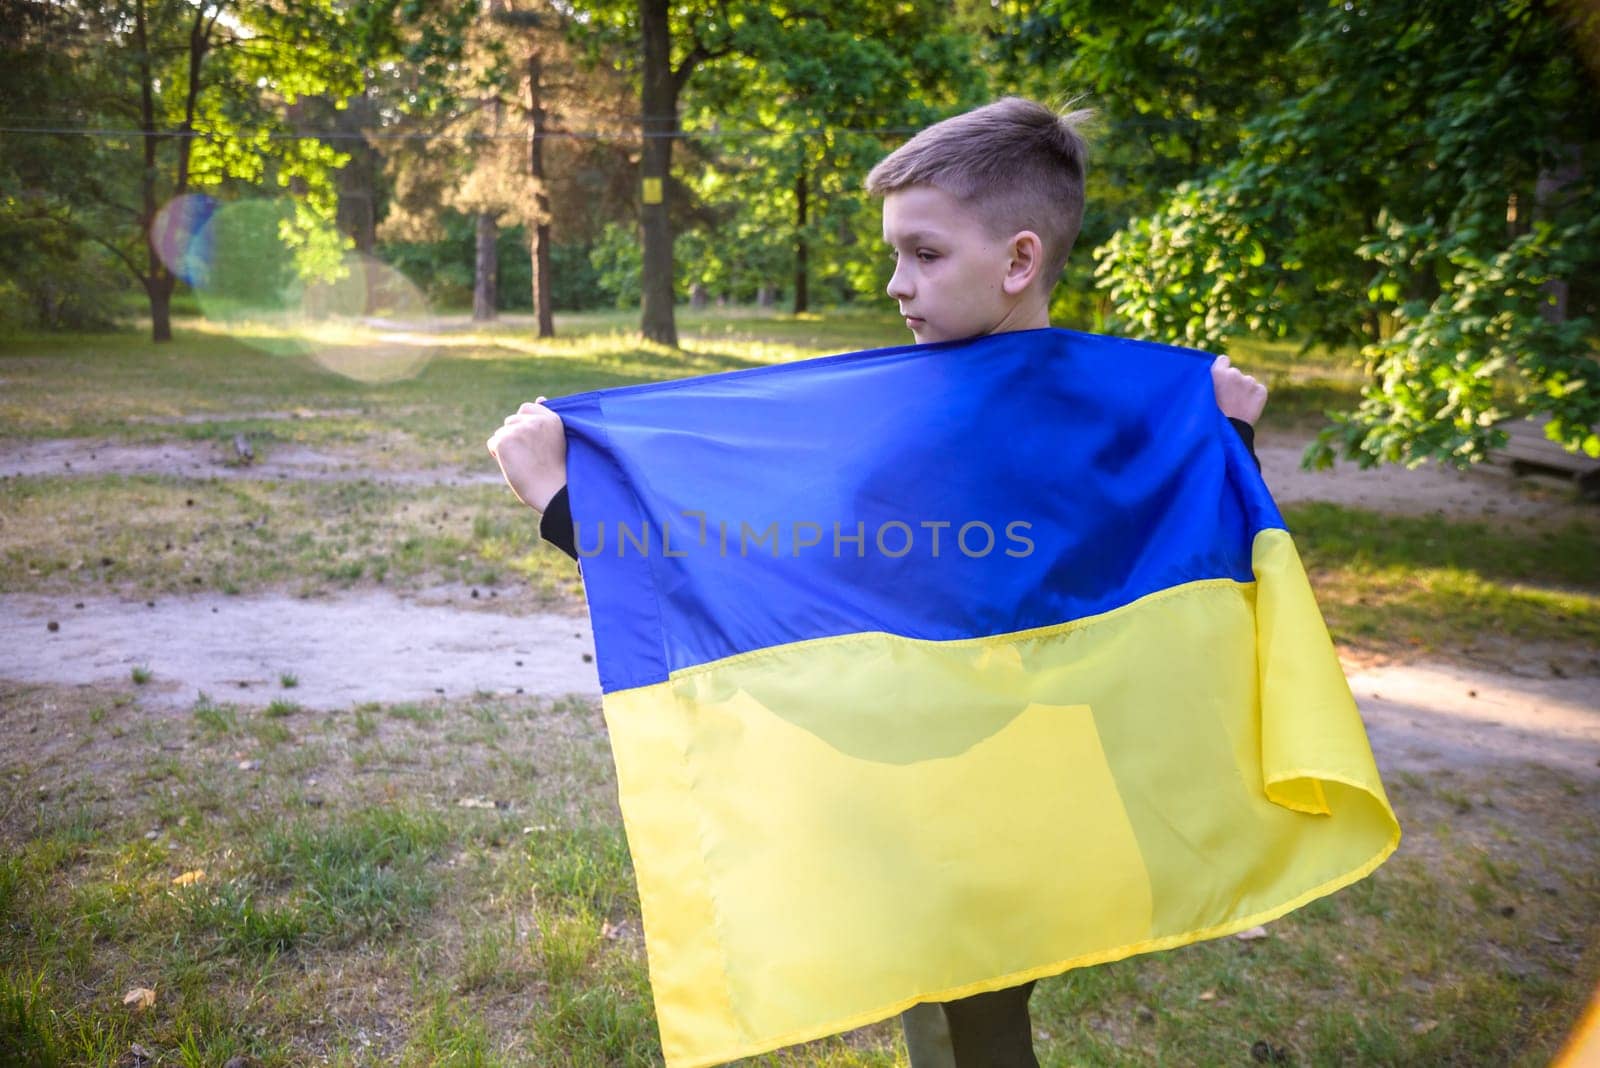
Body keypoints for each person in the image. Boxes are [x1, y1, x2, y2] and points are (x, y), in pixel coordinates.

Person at [487, 97, 1268, 1067]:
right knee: (977, 1012)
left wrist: (564, 501)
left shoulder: (927, 435)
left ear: (1019, 260)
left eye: (925, 255)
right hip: (1026, 802)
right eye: (895, 254)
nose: (897, 284)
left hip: (953, 813)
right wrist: (1224, 436)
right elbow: (1174, 534)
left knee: (970, 1027)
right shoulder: (1111, 417)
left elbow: (761, 598)